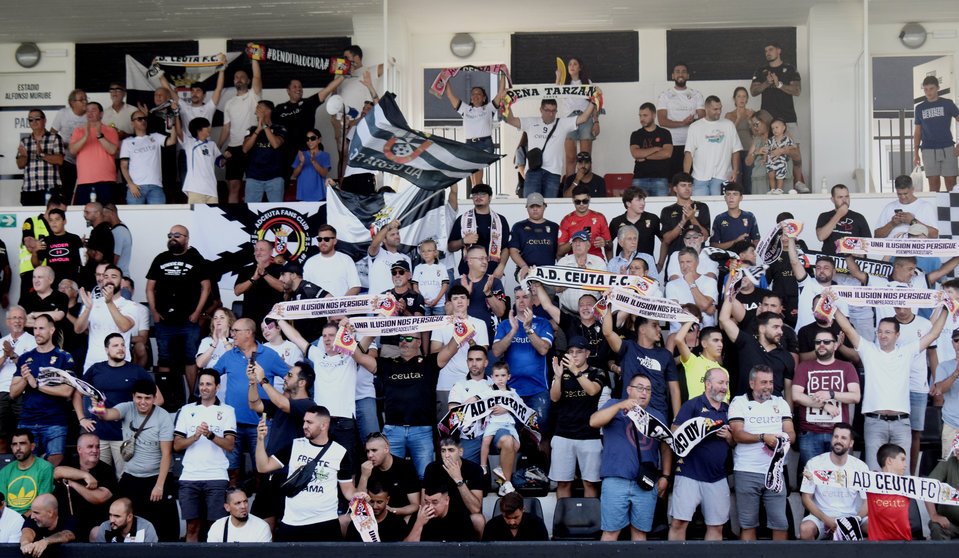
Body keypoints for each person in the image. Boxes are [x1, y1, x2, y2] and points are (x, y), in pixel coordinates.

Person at [834, 307, 946, 470]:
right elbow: (847, 328)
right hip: (874, 422)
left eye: (887, 332)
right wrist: (833, 306)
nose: (883, 335)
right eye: (880, 332)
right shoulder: (869, 350)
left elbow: (933, 334)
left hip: (901, 423)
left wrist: (946, 309)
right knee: (874, 474)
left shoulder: (907, 351)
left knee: (902, 474)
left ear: (897, 335)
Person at [358, 323, 458, 479]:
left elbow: (451, 349)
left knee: (425, 476)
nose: (404, 341)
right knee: (388, 476)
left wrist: (461, 327)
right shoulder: (387, 363)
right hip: (392, 430)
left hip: (422, 431)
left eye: (409, 338)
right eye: (401, 338)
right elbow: (358, 356)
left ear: (419, 343)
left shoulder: (429, 363)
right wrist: (373, 328)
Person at [255, 405, 357, 542]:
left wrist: (358, 494)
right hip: (292, 522)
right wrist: (260, 440)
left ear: (323, 425)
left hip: (325, 523)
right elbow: (263, 467)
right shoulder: (295, 445)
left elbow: (347, 488)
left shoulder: (340, 452)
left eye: (309, 422)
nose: (304, 426)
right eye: (304, 421)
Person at [278, 319, 374, 463]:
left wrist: (386, 312)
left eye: (331, 335)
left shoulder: (351, 355)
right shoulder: (317, 355)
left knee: (347, 468)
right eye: (324, 336)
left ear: (340, 336)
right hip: (320, 422)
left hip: (344, 421)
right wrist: (279, 318)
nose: (327, 339)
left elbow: (370, 334)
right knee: (318, 464)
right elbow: (296, 338)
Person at [93, 378, 176, 541]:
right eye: (139, 398)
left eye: (147, 398)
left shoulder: (163, 416)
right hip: (131, 477)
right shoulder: (127, 408)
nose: (143, 402)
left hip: (154, 478)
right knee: (123, 521)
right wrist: (97, 404)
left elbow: (167, 454)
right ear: (133, 396)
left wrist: (159, 486)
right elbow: (106, 415)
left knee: (158, 526)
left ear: (154, 398)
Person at [590, 373, 671, 541]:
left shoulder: (657, 415)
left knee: (640, 533)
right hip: (615, 479)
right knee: (611, 532)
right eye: (639, 388)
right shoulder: (614, 404)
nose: (644, 392)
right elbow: (594, 421)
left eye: (648, 389)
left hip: (645, 481)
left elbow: (666, 447)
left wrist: (665, 475)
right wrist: (621, 406)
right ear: (628, 389)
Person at [210, 318, 289, 484]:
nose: (232, 335)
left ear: (249, 333)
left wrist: (283, 403)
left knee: (261, 468)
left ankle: (260, 503)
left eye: (235, 331)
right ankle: (233, 499)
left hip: (260, 423)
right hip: (232, 423)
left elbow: (291, 378)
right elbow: (211, 377)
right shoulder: (229, 355)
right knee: (231, 469)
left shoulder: (269, 355)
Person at [729, 365, 796, 540]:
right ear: (752, 384)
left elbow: (791, 434)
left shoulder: (780, 403)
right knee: (748, 523)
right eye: (763, 382)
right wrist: (762, 437)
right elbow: (737, 434)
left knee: (780, 523)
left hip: (775, 470)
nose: (768, 386)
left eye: (771, 382)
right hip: (747, 470)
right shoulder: (739, 402)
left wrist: (782, 440)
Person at [246, 360, 315, 528]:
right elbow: (254, 404)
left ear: (302, 382)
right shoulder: (281, 403)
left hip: (292, 475)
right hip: (271, 472)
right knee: (263, 527)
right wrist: (253, 382)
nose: (285, 377)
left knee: (287, 528)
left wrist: (263, 380)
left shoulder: (309, 406)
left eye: (289, 375)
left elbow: (283, 404)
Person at [667, 368, 733, 541]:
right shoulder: (692, 404)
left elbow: (735, 443)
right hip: (689, 473)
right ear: (708, 384)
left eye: (726, 383)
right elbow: (674, 433)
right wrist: (697, 429)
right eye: (720, 383)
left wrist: (729, 437)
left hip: (717, 476)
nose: (724, 387)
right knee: (679, 523)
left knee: (716, 526)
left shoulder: (729, 410)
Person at [146, 225, 210, 404]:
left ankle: (193, 399)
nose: (172, 238)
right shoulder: (160, 258)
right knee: (164, 360)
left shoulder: (196, 259)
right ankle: (163, 400)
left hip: (188, 322)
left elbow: (206, 287)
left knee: (191, 359)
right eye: (170, 235)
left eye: (177, 235)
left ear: (187, 238)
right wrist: (154, 312)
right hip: (164, 322)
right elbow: (150, 288)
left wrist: (197, 312)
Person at [173, 369, 236, 542]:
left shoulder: (228, 411)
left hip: (216, 476)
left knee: (215, 528)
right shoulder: (186, 410)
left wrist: (210, 435)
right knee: (192, 527)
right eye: (201, 384)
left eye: (208, 384)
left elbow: (230, 445)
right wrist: (195, 437)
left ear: (217, 387)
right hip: (190, 476)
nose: (204, 388)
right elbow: (177, 445)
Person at [791, 330, 861, 473]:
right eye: (818, 342)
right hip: (809, 431)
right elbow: (796, 395)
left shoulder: (847, 367)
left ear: (835, 345)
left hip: (838, 433)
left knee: (838, 477)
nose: (821, 345)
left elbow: (855, 396)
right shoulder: (805, 367)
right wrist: (824, 405)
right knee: (812, 478)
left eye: (826, 342)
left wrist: (831, 394)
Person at [11, 315, 75, 466]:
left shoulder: (63, 357)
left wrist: (37, 384)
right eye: (35, 328)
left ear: (52, 330)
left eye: (41, 328)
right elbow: (13, 393)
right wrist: (26, 379)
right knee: (26, 466)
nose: (37, 332)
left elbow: (67, 391)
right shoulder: (25, 358)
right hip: (28, 420)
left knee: (54, 467)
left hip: (55, 421)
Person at [502, 97, 598, 198]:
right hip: (533, 171)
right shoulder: (530, 122)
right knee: (531, 203)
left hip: (553, 173)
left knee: (550, 206)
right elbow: (510, 120)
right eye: (547, 110)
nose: (551, 114)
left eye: (554, 111)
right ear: (541, 110)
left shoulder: (562, 123)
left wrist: (593, 100)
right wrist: (506, 101)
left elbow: (584, 118)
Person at [549, 336, 608, 498]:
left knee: (590, 482)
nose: (574, 355)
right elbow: (554, 398)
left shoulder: (598, 372)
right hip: (563, 433)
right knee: (563, 482)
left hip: (590, 435)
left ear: (587, 353)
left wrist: (576, 372)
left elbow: (592, 391)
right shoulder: (562, 371)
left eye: (579, 352)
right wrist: (558, 377)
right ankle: (562, 522)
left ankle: (592, 522)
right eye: (571, 352)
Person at [492, 287, 554, 429]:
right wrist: (513, 331)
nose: (521, 301)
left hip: (538, 390)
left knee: (540, 435)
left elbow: (543, 349)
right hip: (510, 391)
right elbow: (496, 352)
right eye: (517, 297)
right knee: (512, 434)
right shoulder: (506, 324)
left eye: (525, 297)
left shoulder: (544, 323)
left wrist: (527, 328)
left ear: (533, 300)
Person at [751, 41, 806, 191]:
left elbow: (797, 90)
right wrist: (767, 83)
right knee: (767, 152)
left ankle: (798, 182)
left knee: (795, 152)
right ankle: (772, 186)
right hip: (767, 120)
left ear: (779, 50)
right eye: (765, 50)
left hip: (788, 118)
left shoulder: (790, 70)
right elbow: (753, 91)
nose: (767, 52)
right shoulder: (761, 70)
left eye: (770, 49)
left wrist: (779, 84)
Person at [798, 422, 869, 540]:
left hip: (851, 517)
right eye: (835, 437)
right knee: (806, 528)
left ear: (851, 443)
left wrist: (855, 520)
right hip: (822, 518)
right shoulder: (814, 463)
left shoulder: (860, 467)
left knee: (873, 526)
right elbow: (806, 498)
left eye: (843, 438)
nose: (838, 441)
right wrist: (826, 519)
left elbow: (867, 501)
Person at [602, 312, 679, 418]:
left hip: (658, 415)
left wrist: (677, 420)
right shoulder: (627, 347)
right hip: (631, 413)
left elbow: (674, 390)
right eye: (654, 325)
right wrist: (608, 304)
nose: (659, 329)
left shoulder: (666, 355)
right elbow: (607, 332)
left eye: (659, 326)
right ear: (642, 329)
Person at [719, 294, 795, 401]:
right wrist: (731, 294)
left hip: (774, 410)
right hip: (745, 408)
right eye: (775, 327)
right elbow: (724, 319)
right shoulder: (746, 343)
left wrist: (789, 415)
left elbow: (788, 393)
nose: (780, 331)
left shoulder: (786, 356)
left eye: (781, 327)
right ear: (762, 329)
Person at [276, 74, 344, 188]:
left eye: (300, 87)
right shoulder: (279, 108)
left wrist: (342, 77)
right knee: (281, 181)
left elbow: (326, 90)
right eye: (295, 87)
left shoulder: (307, 103)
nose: (298, 89)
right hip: (286, 150)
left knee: (312, 179)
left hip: (306, 148)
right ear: (288, 91)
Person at [433, 285, 490, 418]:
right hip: (446, 382)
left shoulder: (479, 324)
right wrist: (455, 339)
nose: (459, 301)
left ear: (468, 301)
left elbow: (483, 355)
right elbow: (434, 353)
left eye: (463, 298)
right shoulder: (441, 323)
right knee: (446, 428)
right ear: (450, 302)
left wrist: (469, 337)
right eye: (455, 298)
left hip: (472, 382)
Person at [52, 432, 115, 542]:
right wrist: (85, 475)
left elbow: (100, 497)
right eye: (90, 447)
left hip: (93, 522)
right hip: (67, 521)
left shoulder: (106, 470)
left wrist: (73, 484)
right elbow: (57, 472)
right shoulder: (70, 462)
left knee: (97, 532)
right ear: (79, 449)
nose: (95, 450)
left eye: (97, 447)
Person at [444, 79, 507, 185]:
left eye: (479, 94)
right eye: (473, 94)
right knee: (473, 173)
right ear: (471, 98)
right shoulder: (465, 109)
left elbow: (500, 92)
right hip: (469, 144)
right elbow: (450, 95)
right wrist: (446, 78)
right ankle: (478, 192)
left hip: (484, 144)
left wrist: (503, 74)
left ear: (484, 98)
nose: (475, 96)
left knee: (477, 168)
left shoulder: (489, 108)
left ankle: (476, 192)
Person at [219, 60, 263, 203]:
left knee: (254, 185)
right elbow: (226, 127)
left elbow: (258, 77)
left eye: (242, 76)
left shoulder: (253, 96)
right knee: (233, 185)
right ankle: (233, 217)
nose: (239, 79)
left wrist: (254, 57)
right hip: (234, 148)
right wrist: (217, 148)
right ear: (233, 81)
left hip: (252, 145)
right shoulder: (229, 103)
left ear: (248, 80)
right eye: (236, 77)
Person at [422, 437, 485, 536]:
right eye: (443, 451)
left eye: (451, 450)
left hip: (464, 514)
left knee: (478, 519)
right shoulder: (432, 468)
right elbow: (424, 501)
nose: (446, 455)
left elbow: (475, 509)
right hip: (440, 513)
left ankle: (476, 551)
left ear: (460, 452)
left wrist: (458, 480)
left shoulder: (474, 469)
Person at [477, 362, 522, 496]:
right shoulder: (489, 392)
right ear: (492, 377)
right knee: (486, 440)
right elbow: (481, 405)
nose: (500, 379)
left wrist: (507, 408)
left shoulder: (512, 392)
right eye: (497, 376)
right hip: (494, 423)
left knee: (517, 445)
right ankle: (483, 467)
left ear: (509, 376)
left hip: (509, 424)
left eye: (503, 375)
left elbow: (520, 407)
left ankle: (500, 468)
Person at [448, 183, 511, 278]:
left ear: (490, 197)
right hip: (468, 273)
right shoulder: (463, 219)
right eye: (475, 195)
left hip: (493, 273)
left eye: (482, 194)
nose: (478, 197)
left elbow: (505, 248)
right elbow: (450, 247)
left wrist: (501, 267)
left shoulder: (500, 220)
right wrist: (463, 241)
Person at [786, 236, 849, 330]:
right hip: (802, 339)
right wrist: (791, 237)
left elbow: (845, 322)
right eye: (818, 268)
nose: (821, 271)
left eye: (826, 268)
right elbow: (794, 261)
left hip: (827, 341)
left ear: (834, 272)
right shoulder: (806, 282)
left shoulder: (840, 292)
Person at [684, 95, 742, 196]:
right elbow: (689, 153)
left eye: (720, 108)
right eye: (715, 109)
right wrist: (685, 177)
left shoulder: (729, 125)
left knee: (720, 208)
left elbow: (735, 150)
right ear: (706, 108)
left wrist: (735, 170)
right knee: (699, 209)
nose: (719, 112)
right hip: (699, 178)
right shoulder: (695, 127)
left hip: (722, 176)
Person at [355, 433, 420, 520]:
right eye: (367, 451)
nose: (370, 455)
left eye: (374, 450)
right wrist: (364, 476)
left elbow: (415, 505)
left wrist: (393, 510)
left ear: (386, 449)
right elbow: (358, 505)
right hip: (372, 518)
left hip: (398, 515)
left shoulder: (405, 467)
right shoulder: (365, 468)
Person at [658, 63, 705, 181]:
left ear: (688, 76)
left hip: (692, 145)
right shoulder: (665, 95)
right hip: (672, 144)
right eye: (677, 71)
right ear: (673, 76)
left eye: (683, 71)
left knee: (690, 180)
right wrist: (683, 123)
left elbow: (703, 118)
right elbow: (662, 121)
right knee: (673, 181)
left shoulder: (696, 95)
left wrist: (692, 121)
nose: (680, 74)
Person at [119, 109, 177, 204]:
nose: (143, 121)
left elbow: (172, 141)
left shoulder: (156, 136)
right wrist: (130, 184)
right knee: (135, 217)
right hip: (136, 187)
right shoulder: (127, 142)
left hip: (156, 186)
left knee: (158, 217)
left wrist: (173, 124)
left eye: (145, 119)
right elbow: (123, 166)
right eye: (139, 119)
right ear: (132, 123)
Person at [913, 75, 959, 192]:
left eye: (931, 88)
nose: (928, 92)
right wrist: (916, 153)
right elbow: (918, 131)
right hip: (928, 149)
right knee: (933, 185)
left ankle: (954, 210)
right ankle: (936, 210)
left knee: (951, 184)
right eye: (926, 89)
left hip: (947, 147)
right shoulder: (919, 108)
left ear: (937, 88)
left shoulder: (947, 104)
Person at [68, 102, 119, 204]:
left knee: (107, 213)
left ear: (101, 114)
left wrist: (100, 136)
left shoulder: (111, 130)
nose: (90, 113)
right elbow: (72, 150)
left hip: (106, 180)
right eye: (87, 111)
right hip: (85, 181)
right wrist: (85, 136)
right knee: (86, 214)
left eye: (93, 110)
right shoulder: (78, 131)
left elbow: (112, 150)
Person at [0, 308, 35, 454]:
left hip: (23, 391)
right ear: (8, 322)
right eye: (14, 318)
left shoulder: (32, 341)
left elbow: (31, 368)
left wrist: (13, 355)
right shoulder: (1, 341)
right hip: (2, 391)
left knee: (23, 435)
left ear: (25, 321)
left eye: (20, 318)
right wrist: (5, 355)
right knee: (1, 435)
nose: (17, 321)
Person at [658, 173, 710, 266]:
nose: (687, 189)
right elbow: (666, 240)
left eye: (690, 185)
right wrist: (683, 222)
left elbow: (705, 237)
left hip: (698, 262)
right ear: (675, 189)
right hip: (675, 261)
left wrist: (692, 218)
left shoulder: (702, 207)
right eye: (683, 185)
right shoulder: (667, 210)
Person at [15, 109, 64, 207]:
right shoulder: (24, 141)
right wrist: (24, 156)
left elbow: (59, 160)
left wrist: (42, 154)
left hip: (50, 188)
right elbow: (20, 165)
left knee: (50, 220)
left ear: (44, 120)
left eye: (37, 118)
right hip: (29, 190)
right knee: (31, 221)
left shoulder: (55, 138)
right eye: (30, 119)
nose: (34, 122)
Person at [665, 247, 719, 336]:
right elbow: (674, 310)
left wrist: (691, 282)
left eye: (688, 262)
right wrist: (704, 309)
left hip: (705, 333)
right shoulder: (671, 284)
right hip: (679, 333)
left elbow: (704, 305)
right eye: (681, 262)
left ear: (697, 262)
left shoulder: (709, 281)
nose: (684, 266)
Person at [242, 100, 287, 203]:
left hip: (275, 177)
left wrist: (264, 126)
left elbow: (275, 144)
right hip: (254, 176)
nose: (255, 112)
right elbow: (245, 149)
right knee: (250, 211)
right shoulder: (252, 129)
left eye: (259, 109)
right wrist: (258, 130)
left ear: (268, 111)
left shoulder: (280, 128)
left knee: (276, 211)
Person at [672, 321, 728, 403]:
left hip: (717, 415)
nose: (720, 344)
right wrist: (691, 320)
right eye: (716, 340)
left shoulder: (724, 372)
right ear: (704, 344)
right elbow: (678, 339)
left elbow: (726, 402)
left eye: (721, 341)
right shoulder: (693, 361)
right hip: (696, 414)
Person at [0, 430, 54, 515]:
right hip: (9, 518)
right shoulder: (4, 471)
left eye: (22, 443)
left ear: (32, 446)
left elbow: (43, 504)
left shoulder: (45, 468)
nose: (18, 448)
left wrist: (22, 519)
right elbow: (3, 504)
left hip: (34, 517)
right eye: (15, 444)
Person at [508, 193, 559, 281]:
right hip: (526, 271)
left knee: (548, 294)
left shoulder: (554, 227)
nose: (535, 209)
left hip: (549, 273)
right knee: (529, 293)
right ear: (527, 207)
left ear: (544, 206)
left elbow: (559, 252)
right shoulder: (518, 227)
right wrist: (524, 266)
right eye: (532, 206)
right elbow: (513, 251)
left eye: (538, 206)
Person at [234, 239, 284, 328]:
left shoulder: (280, 269)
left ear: (271, 252)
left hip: (273, 321)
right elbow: (237, 291)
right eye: (256, 250)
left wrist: (264, 273)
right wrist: (253, 279)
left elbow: (282, 287)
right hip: (250, 321)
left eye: (262, 249)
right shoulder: (246, 270)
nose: (258, 252)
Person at [49, 90, 89, 202]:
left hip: (86, 161)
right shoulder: (63, 113)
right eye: (81, 100)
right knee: (66, 191)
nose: (85, 102)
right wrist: (59, 145)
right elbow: (52, 134)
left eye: (86, 99)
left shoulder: (90, 115)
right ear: (72, 103)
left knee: (84, 191)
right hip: (67, 159)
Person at [867, 444, 911, 541]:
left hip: (905, 544)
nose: (906, 465)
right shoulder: (871, 481)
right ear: (889, 460)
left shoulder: (908, 484)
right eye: (902, 459)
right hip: (878, 544)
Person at [303, 225, 362, 297]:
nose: (322, 242)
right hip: (317, 307)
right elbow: (305, 289)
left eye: (326, 239)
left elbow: (355, 287)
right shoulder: (310, 263)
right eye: (320, 239)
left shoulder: (346, 260)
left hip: (341, 307)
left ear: (335, 241)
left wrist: (340, 303)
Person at [555, 231, 606, 315]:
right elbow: (557, 289)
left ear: (588, 245)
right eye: (574, 241)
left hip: (592, 312)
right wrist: (576, 275)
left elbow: (604, 289)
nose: (577, 244)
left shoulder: (598, 262)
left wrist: (586, 275)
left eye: (581, 241)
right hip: (567, 312)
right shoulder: (563, 262)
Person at [608, 186, 661, 267]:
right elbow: (608, 245)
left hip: (647, 269)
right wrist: (612, 264)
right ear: (628, 203)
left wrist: (660, 264)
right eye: (638, 200)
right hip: (623, 268)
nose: (643, 203)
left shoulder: (653, 219)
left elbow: (665, 241)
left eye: (643, 200)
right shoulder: (616, 222)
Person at [629, 102, 673, 196]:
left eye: (645, 115)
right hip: (639, 179)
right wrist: (656, 148)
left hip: (660, 178)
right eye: (640, 116)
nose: (642, 119)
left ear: (654, 115)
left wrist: (645, 157)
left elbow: (667, 154)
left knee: (660, 208)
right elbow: (636, 153)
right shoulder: (636, 134)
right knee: (637, 209)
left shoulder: (664, 133)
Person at [874, 175, 939, 239]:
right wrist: (892, 224)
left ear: (912, 189)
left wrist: (912, 221)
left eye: (905, 193)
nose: (903, 197)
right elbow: (877, 235)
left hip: (915, 247)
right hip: (892, 247)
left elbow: (934, 235)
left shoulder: (925, 206)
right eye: (899, 194)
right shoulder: (889, 207)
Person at [344, 480, 411, 542]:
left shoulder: (398, 523)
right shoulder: (358, 523)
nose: (375, 506)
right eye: (372, 501)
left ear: (387, 500)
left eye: (379, 502)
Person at [404, 485, 477, 542]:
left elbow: (469, 550)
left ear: (447, 500)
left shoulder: (461, 519)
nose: (430, 507)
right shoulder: (418, 516)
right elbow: (406, 550)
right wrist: (419, 524)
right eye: (427, 502)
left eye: (435, 502)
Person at [557, 185, 611, 260]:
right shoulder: (567, 220)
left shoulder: (600, 218)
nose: (581, 204)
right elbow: (560, 252)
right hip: (574, 262)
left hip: (596, 261)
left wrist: (605, 243)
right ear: (573, 201)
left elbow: (610, 246)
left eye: (585, 201)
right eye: (578, 202)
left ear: (589, 199)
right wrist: (574, 240)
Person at [815, 184, 872, 254]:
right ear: (832, 200)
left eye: (847, 197)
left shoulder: (859, 217)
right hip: (830, 260)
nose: (844, 200)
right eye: (840, 197)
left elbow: (868, 243)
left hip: (852, 260)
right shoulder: (824, 216)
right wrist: (839, 214)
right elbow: (821, 237)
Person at [179, 117, 222, 204]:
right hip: (196, 189)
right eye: (207, 126)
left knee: (211, 217)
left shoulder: (212, 144)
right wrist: (175, 113)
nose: (209, 128)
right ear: (199, 129)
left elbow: (220, 162)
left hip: (212, 190)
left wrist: (227, 157)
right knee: (198, 216)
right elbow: (179, 132)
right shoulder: (189, 142)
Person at [206, 487, 272, 542]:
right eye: (238, 503)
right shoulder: (218, 527)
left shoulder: (261, 527)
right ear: (227, 507)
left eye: (245, 501)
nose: (243, 506)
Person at [925, 436, 959, 540]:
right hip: (950, 523)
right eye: (957, 452)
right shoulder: (948, 463)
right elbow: (927, 486)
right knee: (936, 526)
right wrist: (934, 515)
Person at [367, 220, 410, 297]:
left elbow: (408, 283)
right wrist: (388, 227)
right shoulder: (378, 252)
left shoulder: (406, 258)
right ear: (384, 239)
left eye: (397, 234)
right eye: (392, 235)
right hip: (376, 302)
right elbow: (374, 244)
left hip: (398, 304)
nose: (397, 236)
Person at [482, 491, 549, 541]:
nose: (512, 522)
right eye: (507, 517)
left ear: (523, 509)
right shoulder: (492, 526)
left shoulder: (536, 524)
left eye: (516, 517)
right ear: (502, 512)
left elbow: (545, 551)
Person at [932, 334, 959, 459]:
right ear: (952, 343)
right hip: (951, 423)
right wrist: (956, 372)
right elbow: (939, 390)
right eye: (956, 340)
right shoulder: (944, 366)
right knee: (949, 468)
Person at [710, 182, 759, 249]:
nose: (731, 197)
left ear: (741, 198)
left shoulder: (749, 216)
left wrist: (746, 252)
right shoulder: (719, 218)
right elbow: (713, 245)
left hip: (745, 258)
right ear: (725, 198)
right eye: (728, 194)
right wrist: (735, 242)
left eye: (735, 194)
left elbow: (756, 240)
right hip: (726, 258)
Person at [725, 87, 756, 193]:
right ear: (734, 99)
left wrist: (750, 119)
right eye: (739, 96)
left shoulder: (752, 113)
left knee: (749, 179)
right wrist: (738, 119)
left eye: (744, 96)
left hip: (749, 150)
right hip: (735, 151)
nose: (741, 99)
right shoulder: (729, 115)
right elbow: (729, 134)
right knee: (736, 178)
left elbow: (756, 133)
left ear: (747, 99)